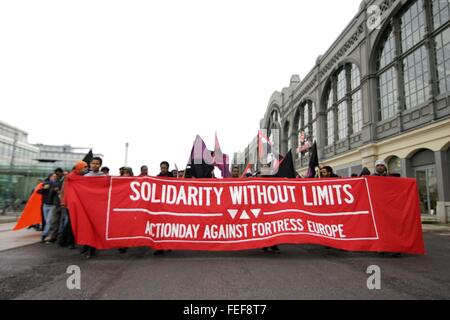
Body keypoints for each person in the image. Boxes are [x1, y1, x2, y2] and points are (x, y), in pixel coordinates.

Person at [82, 157, 105, 258]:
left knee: (95, 228)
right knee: (86, 226)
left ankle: (92, 249)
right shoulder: (85, 176)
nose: (95, 165)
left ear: (100, 165)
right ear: (90, 164)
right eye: (93, 163)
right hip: (87, 205)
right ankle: (86, 245)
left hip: (98, 207)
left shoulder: (104, 177)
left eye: (97, 163)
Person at [38, 174, 60, 243]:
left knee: (48, 221)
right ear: (50, 177)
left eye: (55, 176)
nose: (54, 177)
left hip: (52, 205)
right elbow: (38, 192)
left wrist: (56, 191)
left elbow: (59, 194)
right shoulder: (46, 184)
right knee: (47, 221)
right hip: (45, 205)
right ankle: (49, 235)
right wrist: (44, 188)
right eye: (53, 176)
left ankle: (44, 235)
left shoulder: (57, 185)